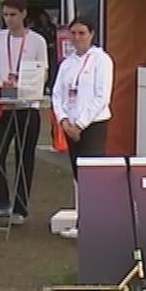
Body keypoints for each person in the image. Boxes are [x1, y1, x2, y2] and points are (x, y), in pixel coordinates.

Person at [0, 0, 49, 223]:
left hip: (28, 106)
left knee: (24, 157)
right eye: (5, 15)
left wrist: (30, 86)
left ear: (23, 14)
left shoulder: (37, 41)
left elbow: (43, 72)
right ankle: (1, 202)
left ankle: (20, 208)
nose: (9, 19)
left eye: (13, 15)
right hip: (5, 105)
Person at [52, 14, 113, 178]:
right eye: (73, 33)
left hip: (93, 124)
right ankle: (79, 196)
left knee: (92, 174)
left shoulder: (102, 59)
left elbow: (102, 97)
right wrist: (63, 120)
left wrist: (80, 125)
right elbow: (57, 94)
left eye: (81, 33)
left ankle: (95, 196)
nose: (77, 37)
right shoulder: (67, 63)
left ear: (91, 34)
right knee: (76, 171)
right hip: (70, 125)